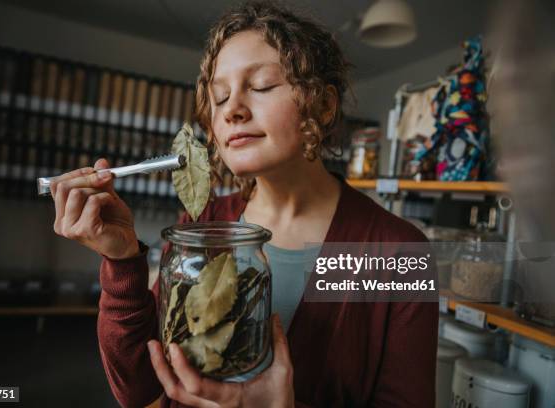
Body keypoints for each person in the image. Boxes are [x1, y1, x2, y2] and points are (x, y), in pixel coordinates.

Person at [50, 2, 437, 407]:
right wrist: (122, 258)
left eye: (263, 86)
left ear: (323, 106)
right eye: (219, 97)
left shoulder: (397, 252)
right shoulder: (203, 224)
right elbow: (139, 387)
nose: (232, 109)